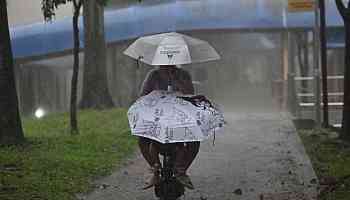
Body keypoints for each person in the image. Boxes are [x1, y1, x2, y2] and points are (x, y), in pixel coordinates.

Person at [138, 65, 200, 190]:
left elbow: (191, 96)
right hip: (158, 116)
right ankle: (155, 169)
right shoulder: (153, 75)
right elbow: (143, 96)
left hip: (179, 116)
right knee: (142, 140)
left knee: (195, 142)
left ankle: (181, 170)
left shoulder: (183, 74)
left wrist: (179, 85)